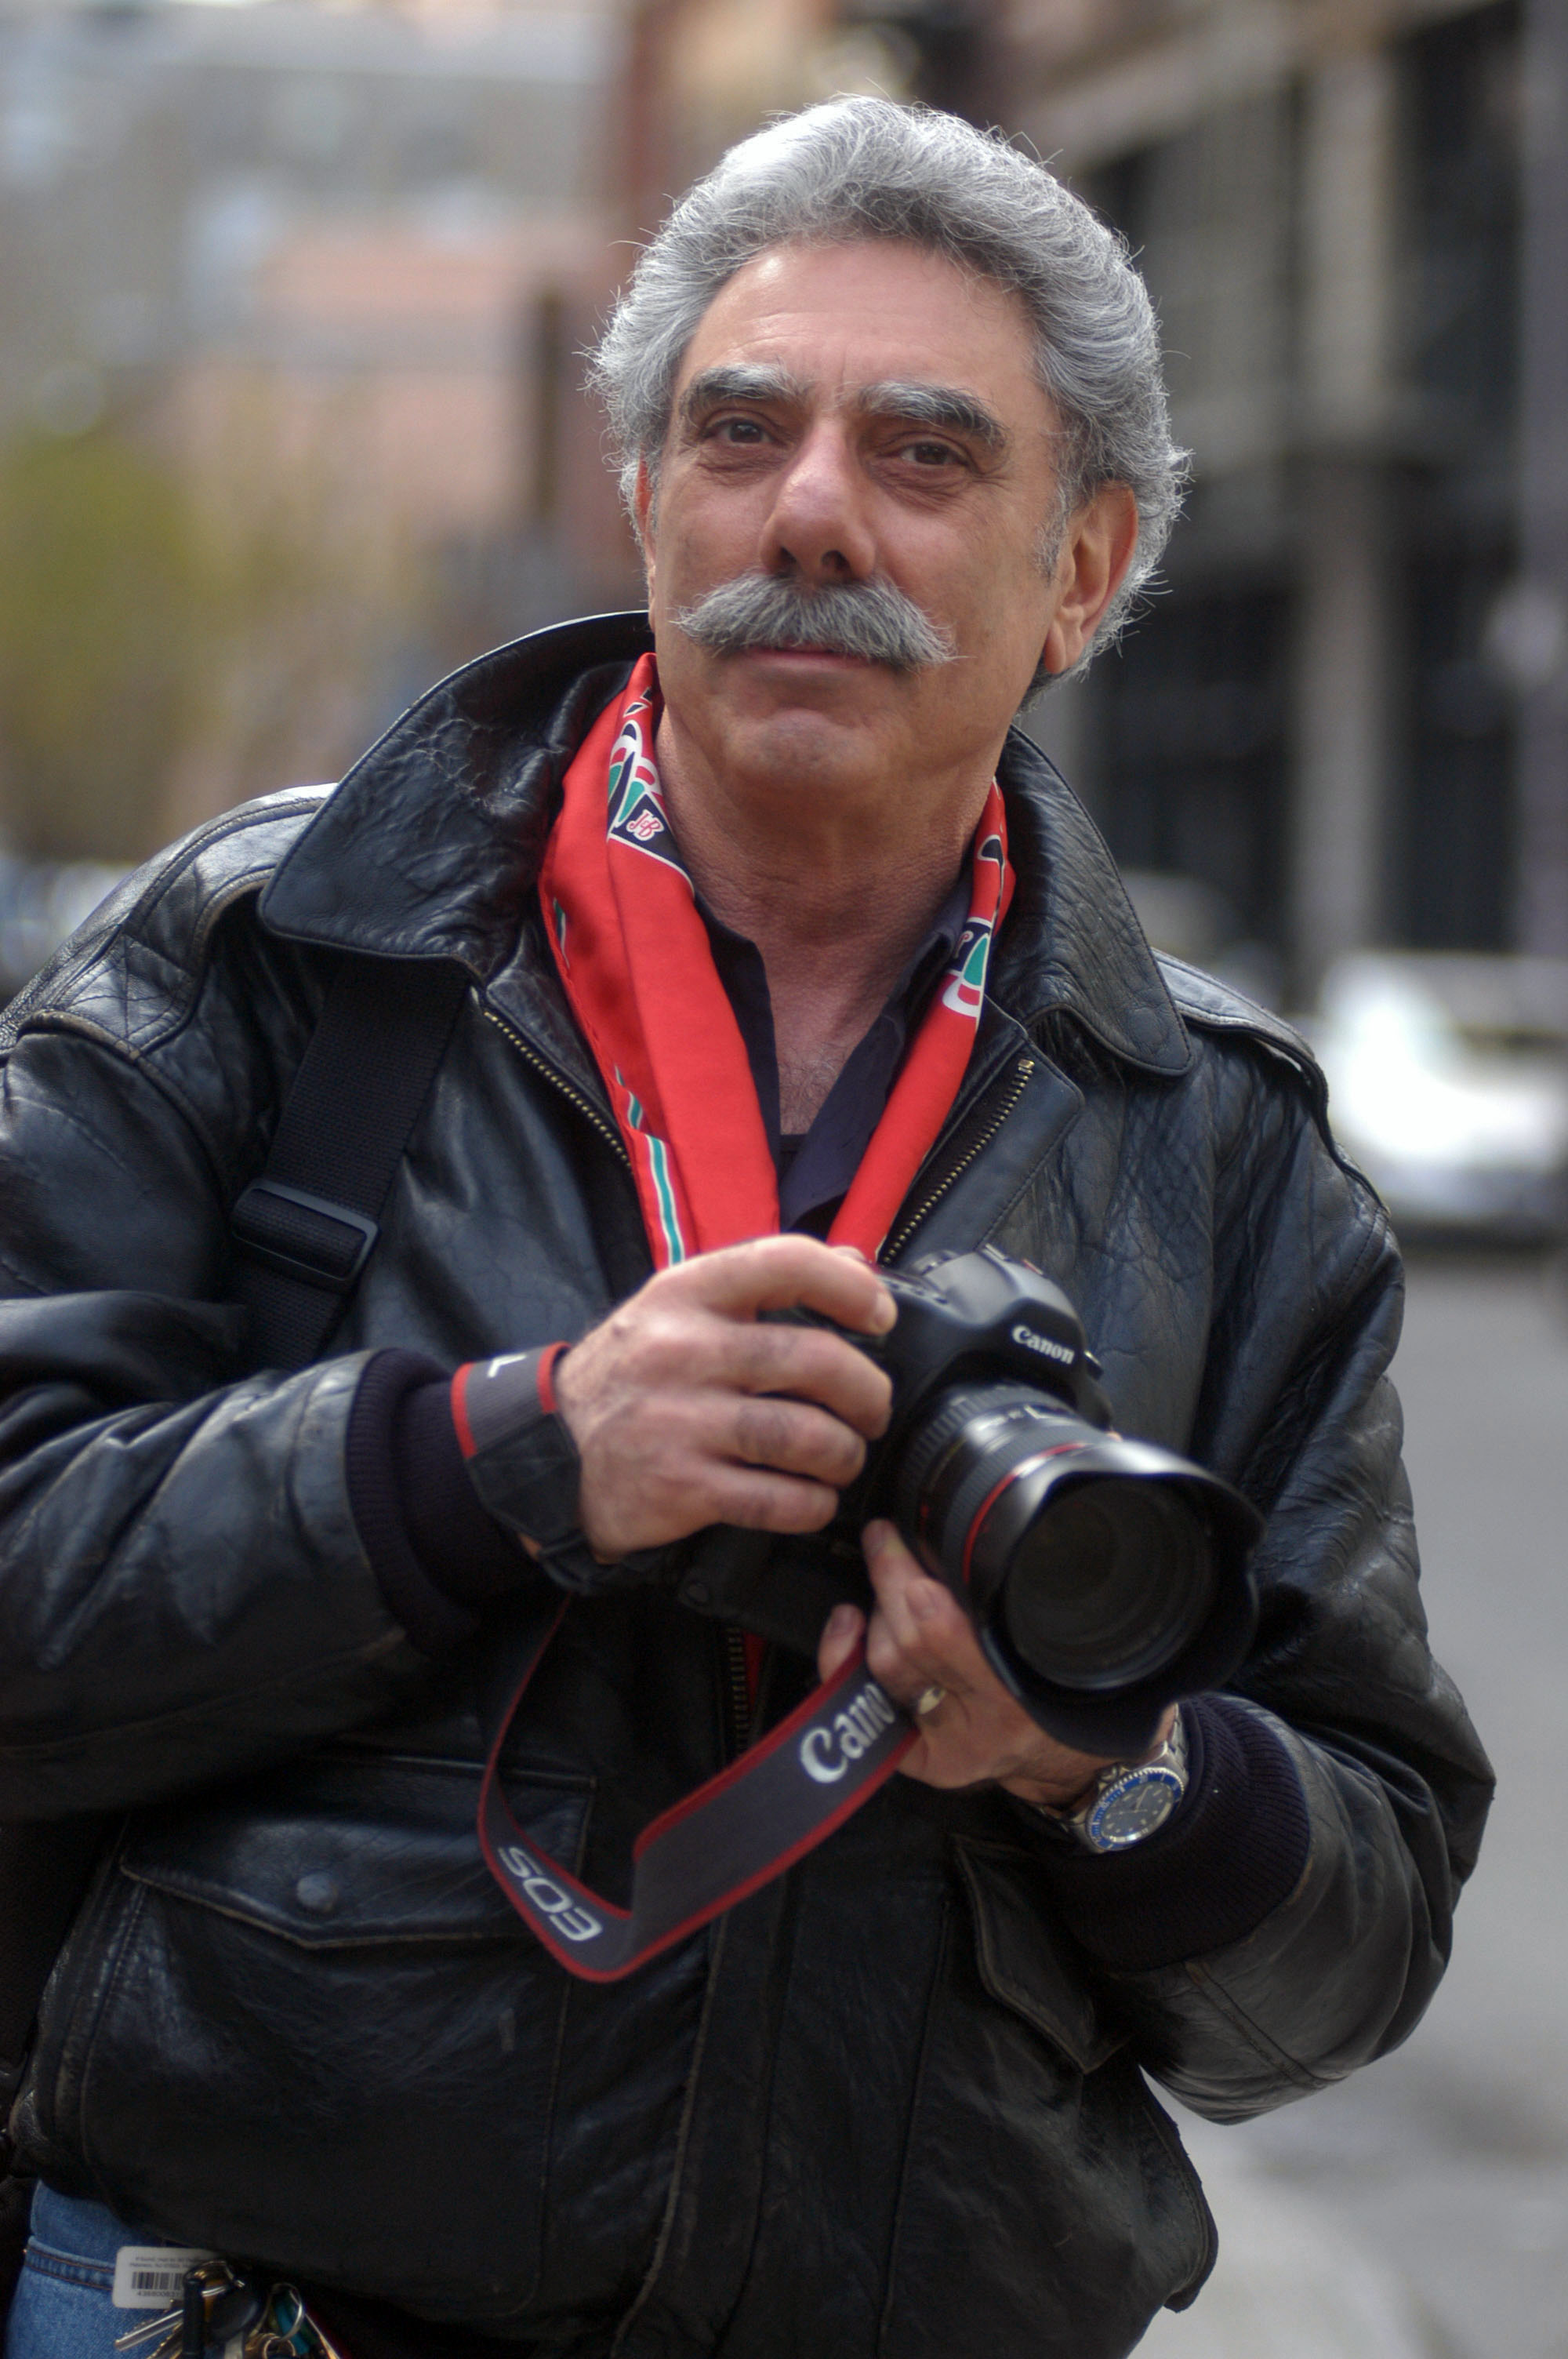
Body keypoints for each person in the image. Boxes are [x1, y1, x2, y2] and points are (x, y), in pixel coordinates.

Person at [0, 97, 1490, 2359]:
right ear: (642, 496)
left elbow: (1348, 1964)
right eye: (740, 430)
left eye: (922, 453)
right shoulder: (268, 957)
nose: (809, 508)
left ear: (1084, 572)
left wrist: (1104, 1760)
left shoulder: (1229, 1155)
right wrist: (501, 1459)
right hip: (251, 2315)